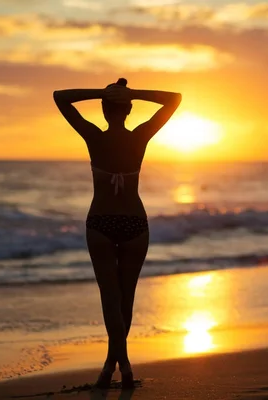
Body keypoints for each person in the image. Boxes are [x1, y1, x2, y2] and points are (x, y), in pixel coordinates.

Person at [53, 79, 182, 389]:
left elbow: (60, 97)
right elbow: (174, 99)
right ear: (128, 110)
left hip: (100, 222)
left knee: (111, 299)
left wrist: (103, 92)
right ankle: (117, 363)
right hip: (134, 223)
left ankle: (116, 362)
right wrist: (132, 93)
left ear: (104, 109)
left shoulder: (93, 136)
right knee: (126, 299)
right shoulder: (140, 136)